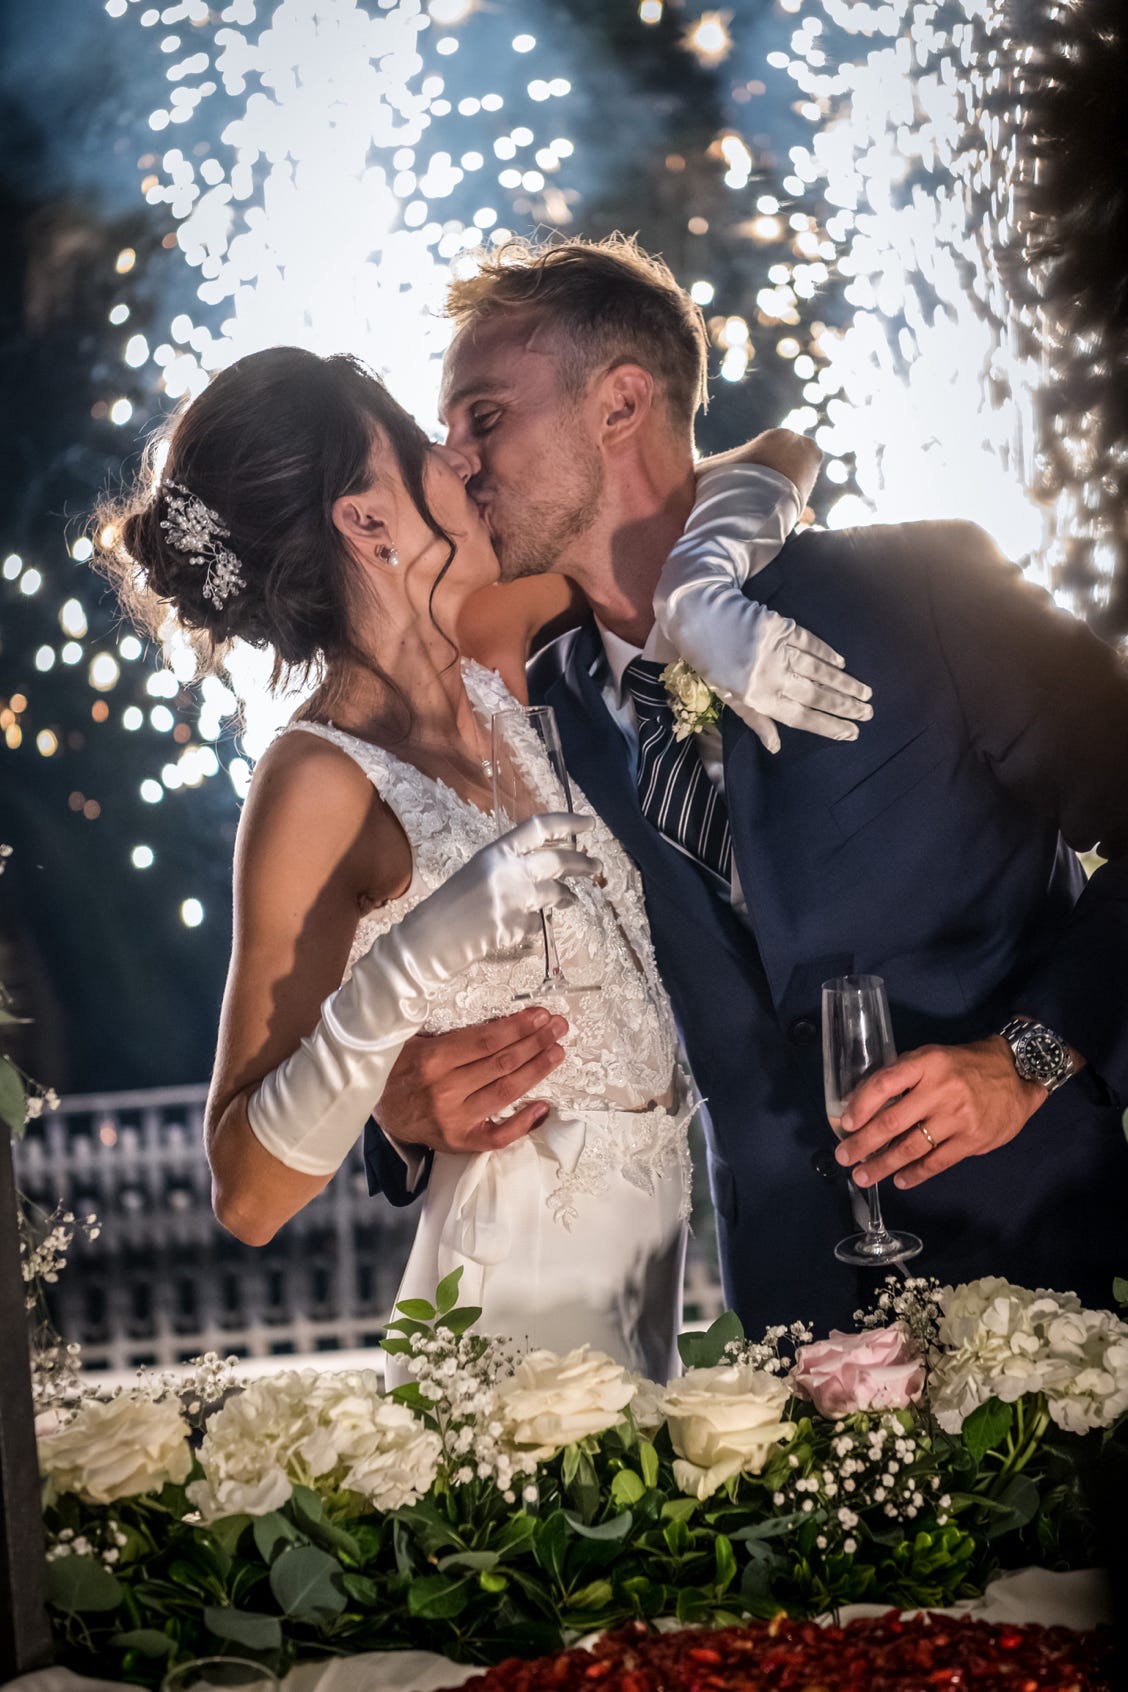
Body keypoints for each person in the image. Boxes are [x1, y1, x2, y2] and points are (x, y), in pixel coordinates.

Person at [366, 234, 1128, 1337]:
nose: (458, 461)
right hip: (796, 1328)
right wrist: (392, 1105)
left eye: (485, 417)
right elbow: (446, 971)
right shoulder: (533, 722)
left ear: (622, 403)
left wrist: (1028, 1057)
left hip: (1056, 1271)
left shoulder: (925, 590)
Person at [94, 345, 865, 1378]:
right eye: (422, 446)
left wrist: (700, 592)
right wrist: (397, 985)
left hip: (653, 1314)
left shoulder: (504, 649)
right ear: (369, 522)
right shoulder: (316, 781)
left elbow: (779, 451)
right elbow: (247, 1192)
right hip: (500, 1343)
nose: (460, 463)